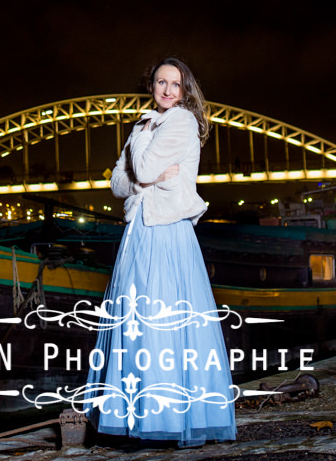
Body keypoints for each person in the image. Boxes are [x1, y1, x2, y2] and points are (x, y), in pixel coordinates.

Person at [85, 57, 237, 447]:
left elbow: (143, 165)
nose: (168, 90)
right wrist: (142, 178)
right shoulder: (144, 123)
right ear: (150, 86)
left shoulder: (181, 121)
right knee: (139, 325)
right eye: (160, 82)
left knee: (163, 322)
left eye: (176, 83)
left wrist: (142, 163)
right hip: (140, 231)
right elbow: (119, 182)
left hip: (167, 232)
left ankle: (169, 419)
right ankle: (145, 417)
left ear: (185, 89)